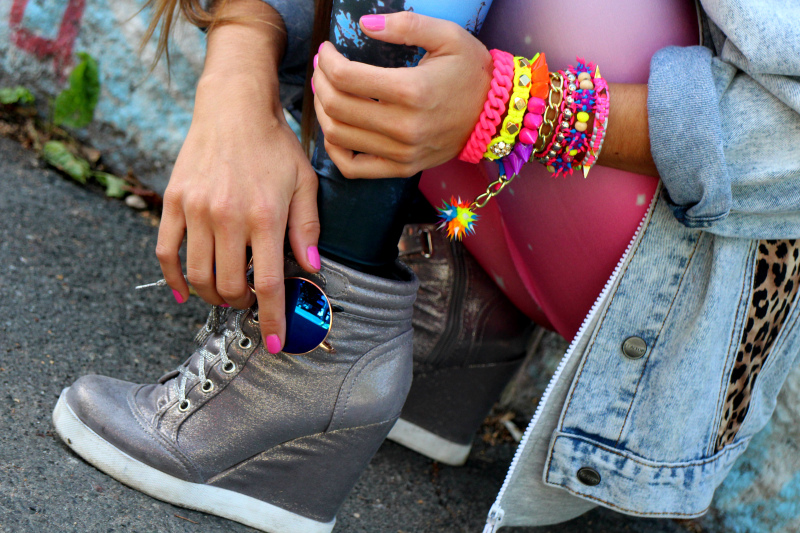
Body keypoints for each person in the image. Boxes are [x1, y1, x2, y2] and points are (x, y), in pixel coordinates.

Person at [51, 0, 800, 532]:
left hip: (672, 268)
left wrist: (510, 108)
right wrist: (235, 79)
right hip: (521, 220)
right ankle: (455, 303)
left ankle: (320, 345)